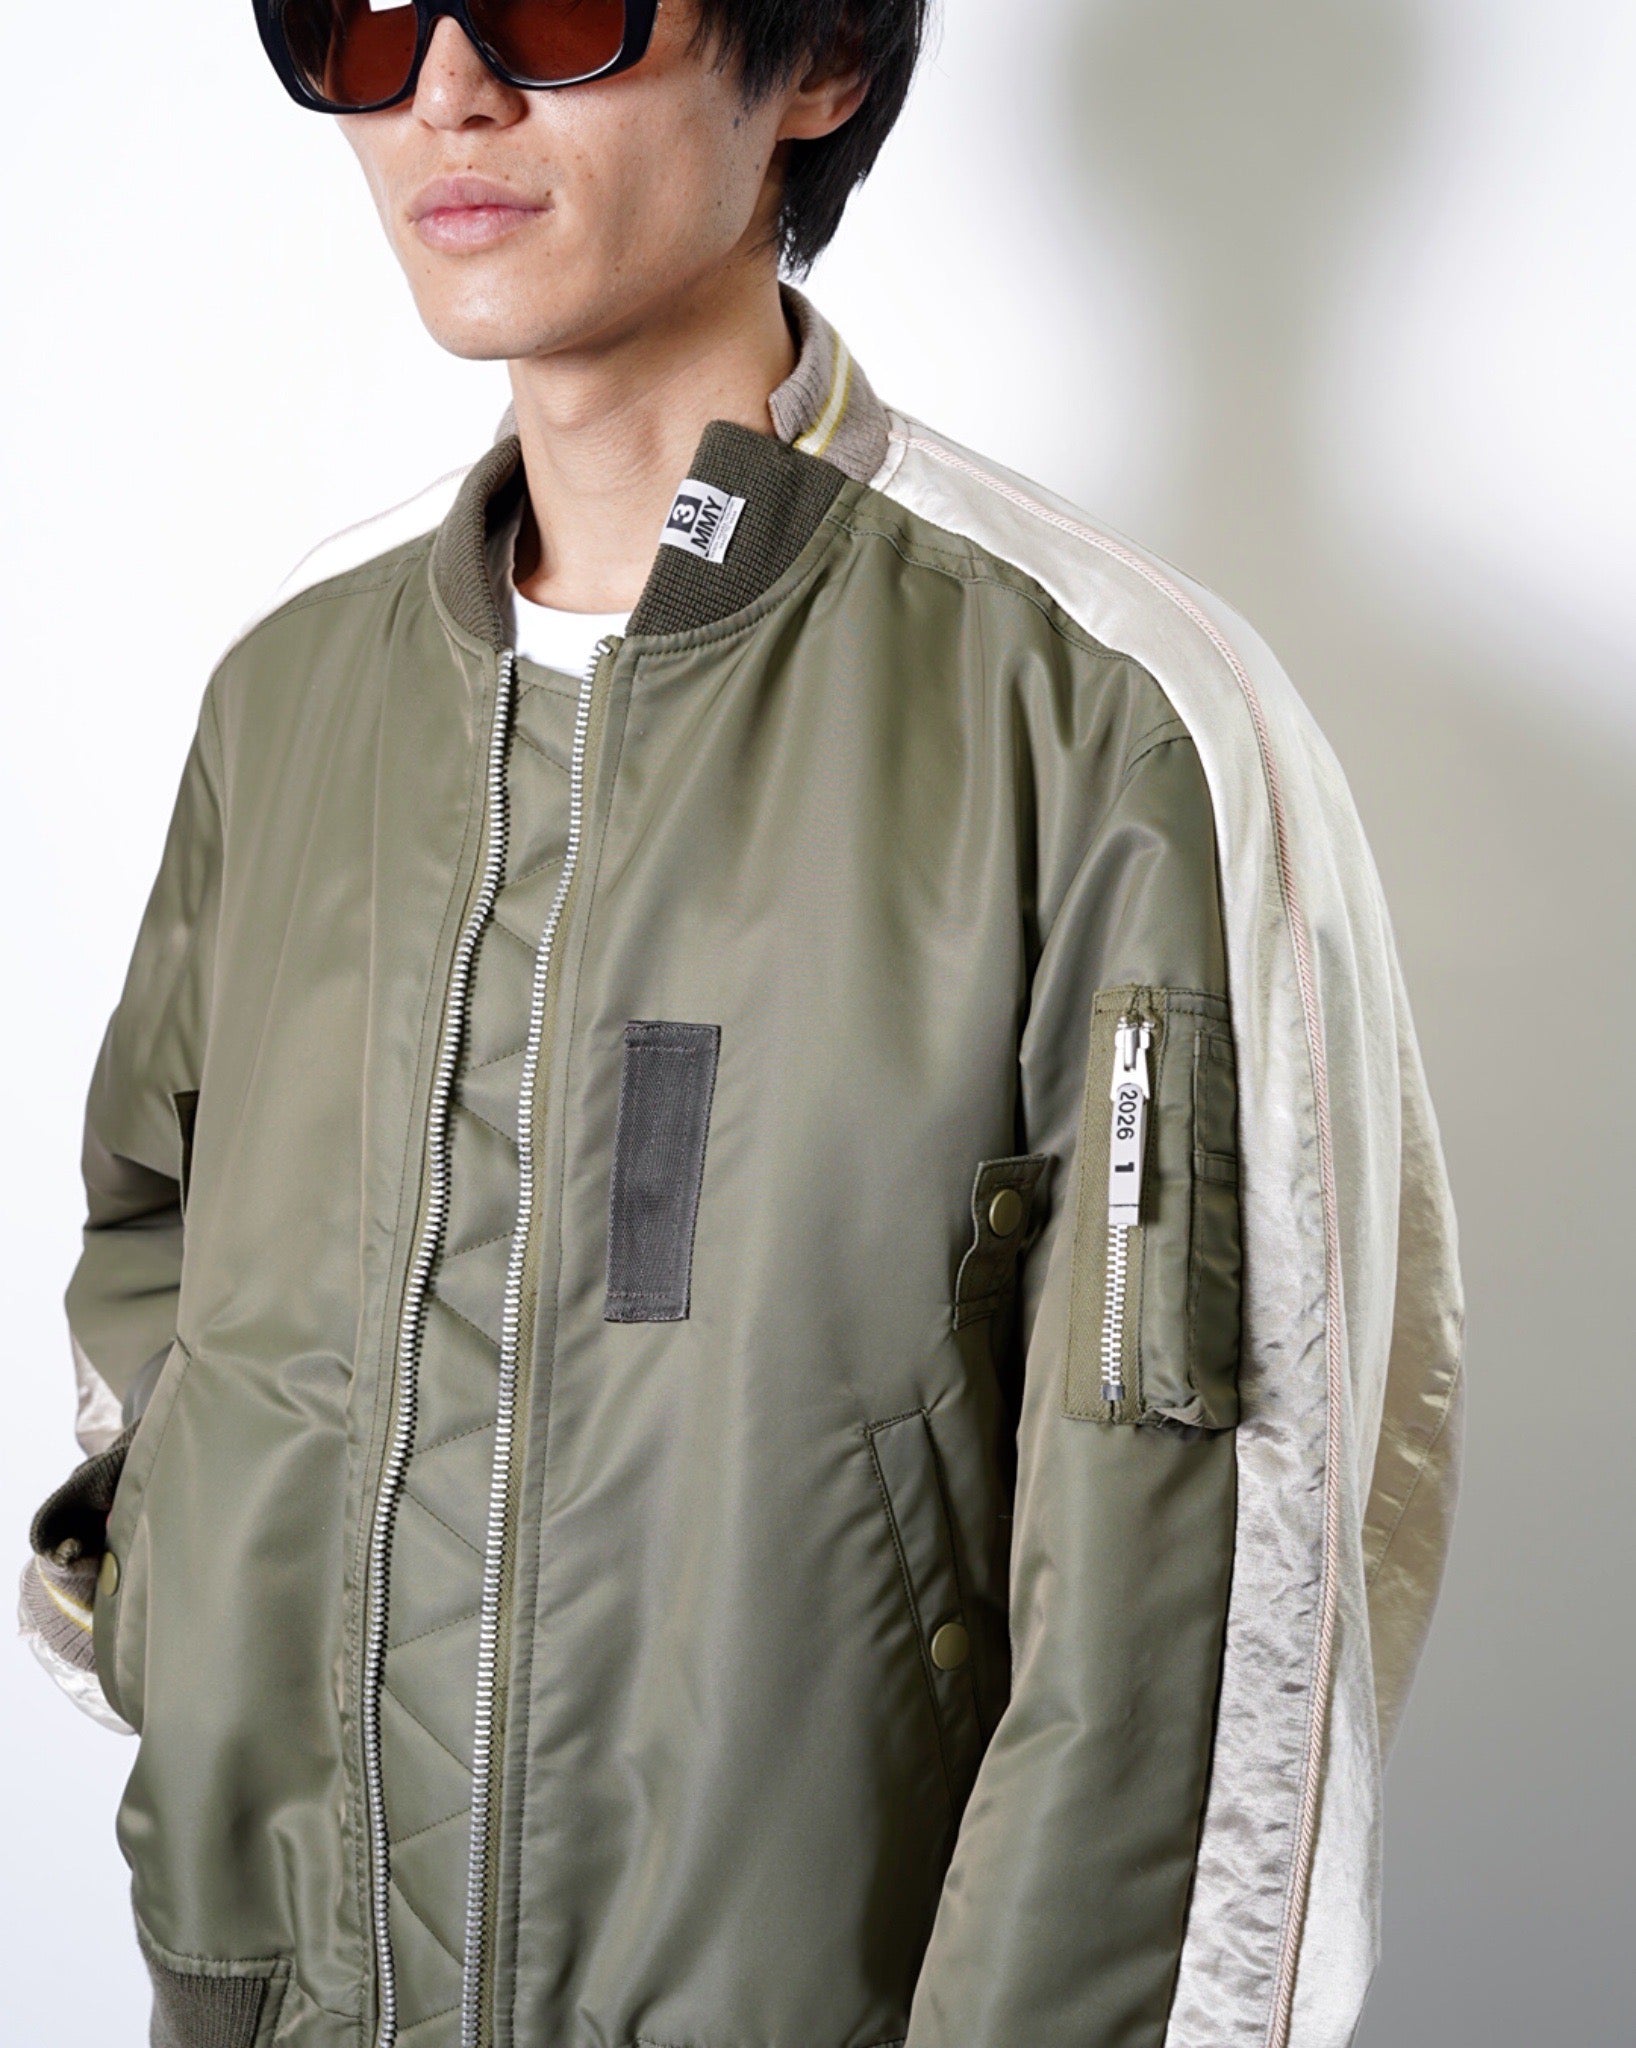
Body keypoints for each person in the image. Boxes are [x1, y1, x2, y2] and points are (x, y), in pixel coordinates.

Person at [21, 4, 1465, 2046]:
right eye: (364, 21)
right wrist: (183, 1635)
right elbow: (155, 1257)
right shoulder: (295, 688)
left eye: (551, 7)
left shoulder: (1107, 724)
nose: (448, 91)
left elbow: (1206, 1614)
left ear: (817, 63)